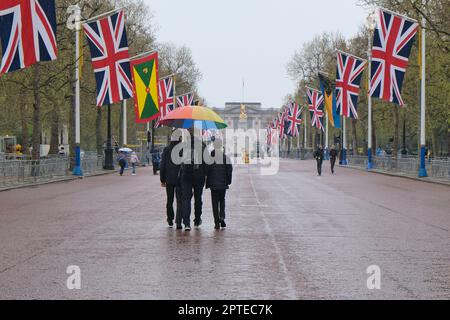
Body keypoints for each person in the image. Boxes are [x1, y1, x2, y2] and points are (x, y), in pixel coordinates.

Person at [180, 135, 207, 230]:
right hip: (199, 175)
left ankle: (186, 223)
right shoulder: (202, 146)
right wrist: (206, 174)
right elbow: (206, 162)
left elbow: (179, 158)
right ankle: (197, 220)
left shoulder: (184, 146)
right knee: (198, 198)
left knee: (186, 199)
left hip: (186, 175)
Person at [206, 146, 233, 230]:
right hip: (223, 184)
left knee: (214, 203)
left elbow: (207, 171)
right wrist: (228, 181)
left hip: (213, 185)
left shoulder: (210, 159)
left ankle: (216, 223)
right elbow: (229, 170)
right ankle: (222, 217)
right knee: (222, 200)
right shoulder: (226, 158)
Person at [160, 136, 183, 229]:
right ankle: (178, 221)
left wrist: (162, 179)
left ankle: (170, 218)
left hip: (169, 178)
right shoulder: (182, 149)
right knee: (179, 200)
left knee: (170, 200)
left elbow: (163, 165)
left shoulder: (166, 150)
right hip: (179, 178)